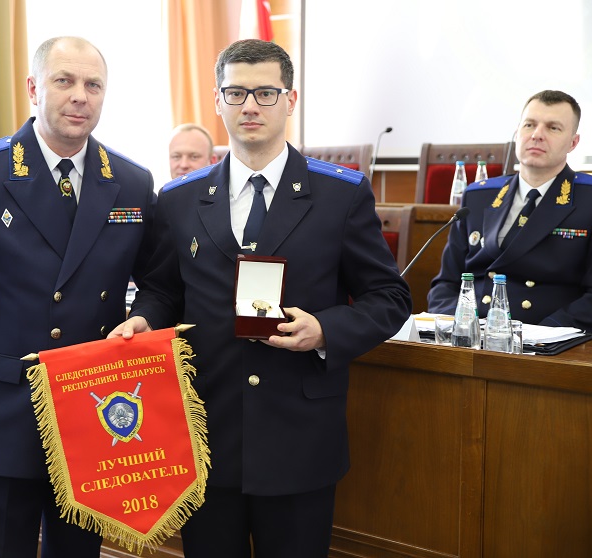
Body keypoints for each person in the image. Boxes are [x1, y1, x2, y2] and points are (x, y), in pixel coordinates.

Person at [109, 39, 411, 557]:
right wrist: (145, 319)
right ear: (218, 100)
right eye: (237, 93)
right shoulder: (179, 199)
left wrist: (326, 330)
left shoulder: (341, 194)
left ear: (290, 100)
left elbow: (389, 296)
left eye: (266, 93)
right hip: (206, 436)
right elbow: (163, 290)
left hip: (298, 438)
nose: (250, 105)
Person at [0, 36, 156, 558]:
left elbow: (160, 283)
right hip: (7, 417)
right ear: (33, 88)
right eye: (64, 81)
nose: (80, 96)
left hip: (94, 416)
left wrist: (143, 316)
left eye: (93, 85)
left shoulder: (131, 182)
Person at [428, 90, 592, 335]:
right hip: (472, 336)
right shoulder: (478, 196)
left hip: (547, 340)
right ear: (517, 133)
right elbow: (447, 283)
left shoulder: (591, 199)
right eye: (529, 125)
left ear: (573, 142)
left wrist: (538, 337)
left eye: (553, 128)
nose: (537, 135)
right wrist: (457, 327)